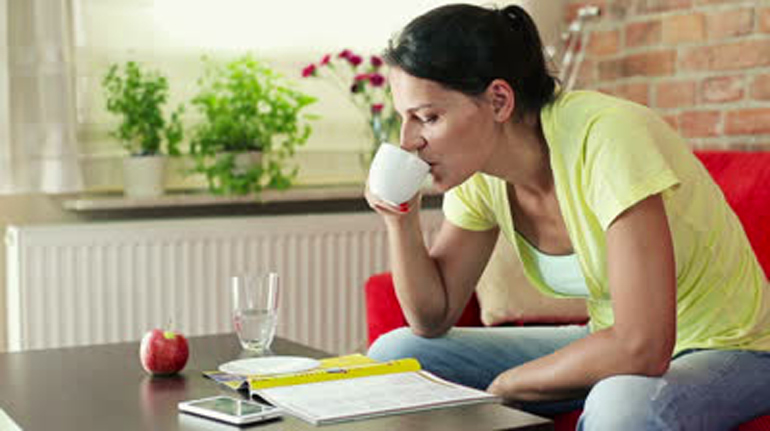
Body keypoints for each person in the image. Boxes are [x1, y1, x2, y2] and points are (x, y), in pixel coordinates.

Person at [364, 3, 770, 430]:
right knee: (399, 353)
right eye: (404, 119)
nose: (409, 141)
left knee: (622, 402)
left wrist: (509, 384)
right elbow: (432, 317)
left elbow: (642, 347)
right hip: (608, 337)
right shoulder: (479, 173)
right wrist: (400, 218)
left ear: (499, 100)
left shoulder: (608, 137)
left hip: (733, 349)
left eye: (428, 117)